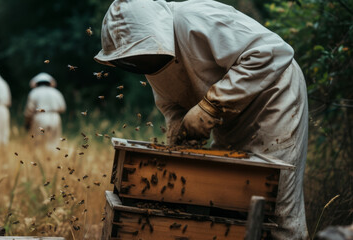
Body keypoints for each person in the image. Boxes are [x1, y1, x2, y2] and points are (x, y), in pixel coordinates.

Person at [94, 0, 309, 239]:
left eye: (138, 53)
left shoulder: (196, 17)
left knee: (272, 201)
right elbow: (171, 102)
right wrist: (178, 131)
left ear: (155, 31)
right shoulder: (151, 56)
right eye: (130, 57)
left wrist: (211, 105)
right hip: (229, 114)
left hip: (273, 95)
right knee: (228, 200)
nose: (137, 62)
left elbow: (272, 52)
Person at [24, 72, 66, 150]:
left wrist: (27, 123)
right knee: (54, 142)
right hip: (55, 117)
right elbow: (62, 108)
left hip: (40, 117)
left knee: (38, 143)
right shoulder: (56, 92)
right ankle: (53, 159)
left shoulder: (34, 92)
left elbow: (29, 111)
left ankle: (40, 160)